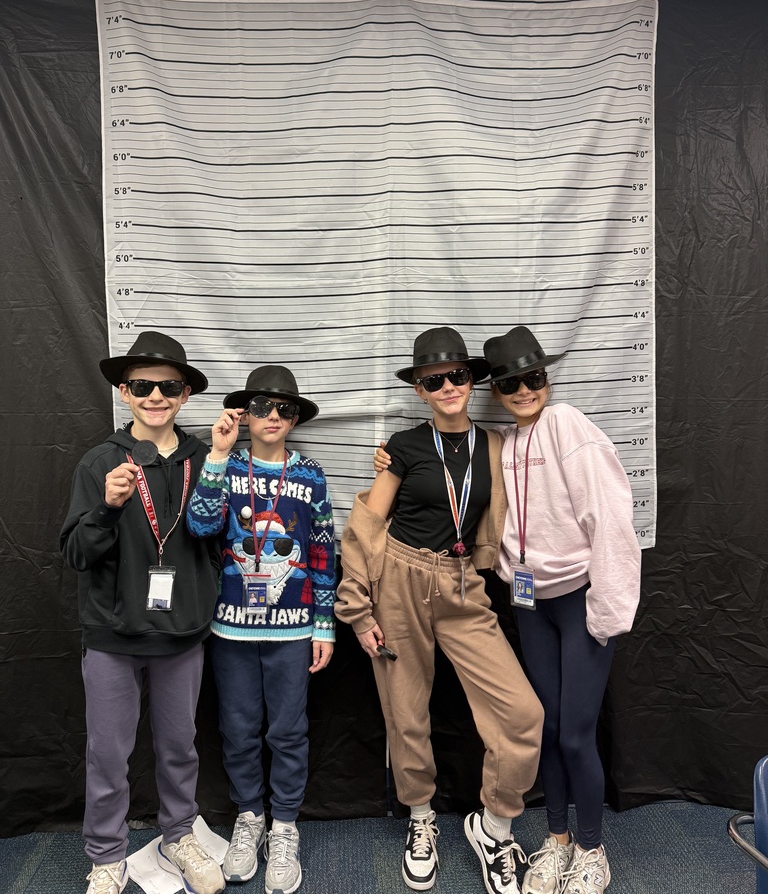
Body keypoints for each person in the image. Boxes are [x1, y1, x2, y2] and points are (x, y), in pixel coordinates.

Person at [335, 327, 544, 894]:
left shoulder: (498, 443)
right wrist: (357, 608)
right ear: (421, 391)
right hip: (398, 580)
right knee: (406, 714)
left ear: (473, 381)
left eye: (457, 375)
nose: (448, 386)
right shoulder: (403, 446)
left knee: (522, 713)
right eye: (434, 380)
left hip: (461, 586)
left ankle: (495, 826)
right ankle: (421, 819)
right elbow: (365, 526)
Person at [60, 331, 224, 894]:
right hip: (113, 634)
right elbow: (77, 555)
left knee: (180, 747)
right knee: (108, 753)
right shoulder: (100, 462)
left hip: (182, 633)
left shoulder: (207, 460)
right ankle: (107, 855)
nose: (155, 396)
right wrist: (106, 509)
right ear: (124, 392)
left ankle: (179, 835)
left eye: (168, 387)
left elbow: (221, 538)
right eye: (142, 386)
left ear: (184, 396)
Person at [482, 326, 641, 894]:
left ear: (547, 379)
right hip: (530, 602)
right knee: (545, 729)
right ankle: (557, 841)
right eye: (510, 383)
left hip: (579, 601)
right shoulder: (505, 441)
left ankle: (593, 849)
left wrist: (608, 610)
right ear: (495, 389)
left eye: (534, 378)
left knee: (575, 733)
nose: (524, 391)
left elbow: (611, 517)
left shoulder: (569, 425)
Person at [186, 365, 335, 894]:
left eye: (284, 409)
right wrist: (217, 454)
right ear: (244, 414)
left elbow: (320, 551)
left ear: (295, 418)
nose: (272, 416)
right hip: (231, 630)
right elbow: (201, 525)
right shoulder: (225, 466)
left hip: (293, 630)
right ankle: (250, 816)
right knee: (239, 728)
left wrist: (324, 624)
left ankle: (285, 825)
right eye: (261, 407)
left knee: (288, 730)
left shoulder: (311, 475)